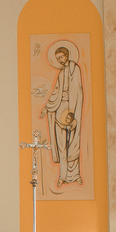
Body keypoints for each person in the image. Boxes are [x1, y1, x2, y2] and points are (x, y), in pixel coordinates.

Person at [38, 46, 84, 187]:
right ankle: (62, 176)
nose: (60, 61)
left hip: (72, 110)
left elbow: (78, 91)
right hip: (60, 110)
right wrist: (47, 108)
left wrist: (75, 114)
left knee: (73, 144)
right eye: (57, 59)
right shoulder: (61, 72)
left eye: (61, 57)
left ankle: (75, 175)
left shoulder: (74, 69)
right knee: (62, 146)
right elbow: (56, 92)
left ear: (67, 55)